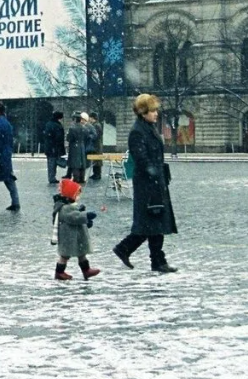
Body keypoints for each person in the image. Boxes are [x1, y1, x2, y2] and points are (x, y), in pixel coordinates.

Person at [113, 94, 178, 273]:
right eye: (152, 110)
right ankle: (129, 249)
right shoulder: (137, 131)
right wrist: (154, 173)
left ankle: (154, 260)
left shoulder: (149, 128)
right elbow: (141, 158)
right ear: (143, 112)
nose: (156, 113)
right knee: (150, 224)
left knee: (155, 224)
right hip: (148, 184)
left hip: (156, 182)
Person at [52, 179, 100, 280]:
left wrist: (82, 214)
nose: (79, 197)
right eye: (77, 195)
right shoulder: (65, 208)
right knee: (65, 255)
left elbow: (76, 214)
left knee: (81, 253)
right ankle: (59, 272)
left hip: (76, 236)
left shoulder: (69, 206)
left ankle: (86, 270)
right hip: (68, 236)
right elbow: (74, 217)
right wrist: (86, 216)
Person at [65, 113, 90, 184]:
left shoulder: (72, 128)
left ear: (75, 119)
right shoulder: (85, 128)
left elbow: (69, 138)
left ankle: (76, 178)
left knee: (75, 163)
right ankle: (82, 178)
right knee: (82, 162)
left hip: (74, 146)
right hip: (82, 145)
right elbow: (87, 137)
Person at [42, 112, 66, 185]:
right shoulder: (57, 125)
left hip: (50, 147)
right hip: (55, 147)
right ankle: (52, 178)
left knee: (51, 162)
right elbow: (59, 138)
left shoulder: (49, 124)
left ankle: (51, 177)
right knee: (53, 162)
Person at [88, 113, 104, 180]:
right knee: (95, 160)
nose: (89, 119)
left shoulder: (96, 125)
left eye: (90, 118)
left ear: (92, 118)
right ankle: (95, 173)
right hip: (96, 145)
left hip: (97, 145)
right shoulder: (95, 125)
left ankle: (97, 174)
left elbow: (96, 135)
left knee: (97, 160)